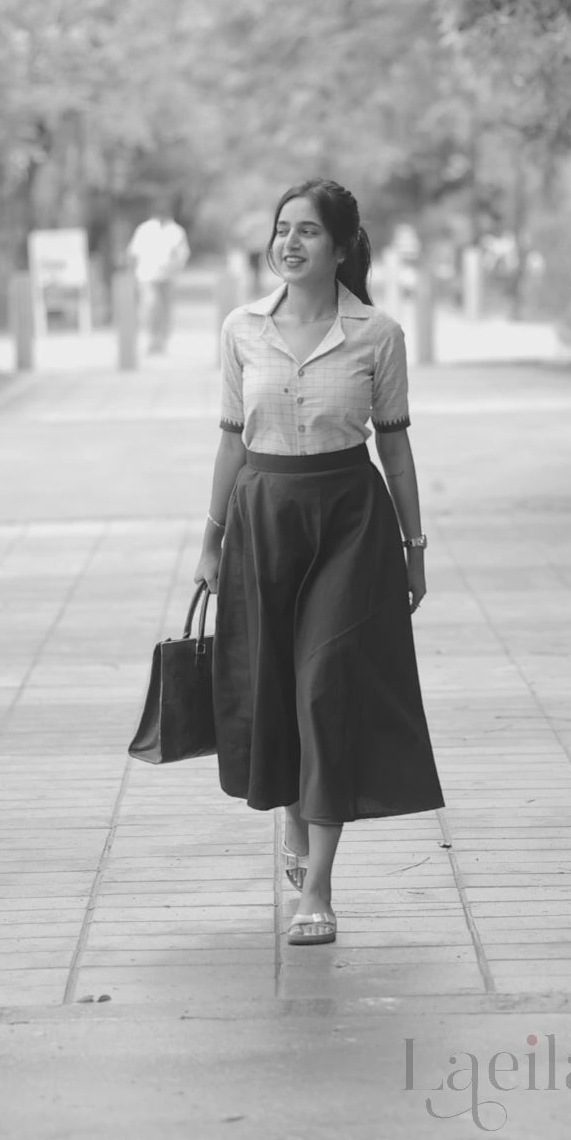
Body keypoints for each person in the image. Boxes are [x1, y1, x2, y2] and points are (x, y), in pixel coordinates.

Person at [194, 178, 444, 945]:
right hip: (263, 517)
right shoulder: (242, 328)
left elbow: (395, 447)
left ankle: (320, 890)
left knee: (326, 686)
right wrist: (209, 540)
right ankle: (296, 830)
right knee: (279, 685)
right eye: (281, 229)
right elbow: (233, 439)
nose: (289, 243)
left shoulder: (378, 334)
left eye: (307, 231)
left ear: (341, 245)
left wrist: (413, 545)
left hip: (349, 522)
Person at [125, 201, 190, 353]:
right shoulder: (144, 229)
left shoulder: (176, 231)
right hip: (147, 275)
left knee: (166, 309)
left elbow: (183, 254)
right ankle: (152, 338)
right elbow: (133, 252)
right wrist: (131, 273)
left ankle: (162, 340)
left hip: (168, 277)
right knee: (151, 306)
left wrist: (176, 266)